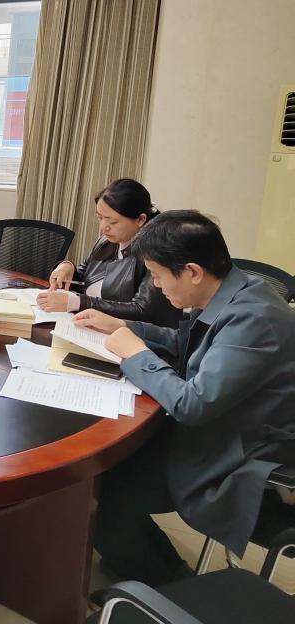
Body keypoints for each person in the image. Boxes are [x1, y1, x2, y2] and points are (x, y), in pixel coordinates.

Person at [72, 211, 295, 587]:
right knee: (106, 470)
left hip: (238, 452)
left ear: (192, 271)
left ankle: (166, 586)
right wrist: (125, 325)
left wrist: (135, 355)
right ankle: (152, 567)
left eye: (157, 275)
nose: (156, 285)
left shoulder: (255, 319)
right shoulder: (237, 291)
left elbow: (193, 404)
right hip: (219, 426)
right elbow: (185, 342)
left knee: (99, 488)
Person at [38, 178, 180, 326]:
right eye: (100, 218)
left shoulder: (156, 253)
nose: (103, 227)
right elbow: (85, 280)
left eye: (112, 222)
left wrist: (78, 303)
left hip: (132, 334)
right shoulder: (106, 242)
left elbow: (142, 311)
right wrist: (67, 267)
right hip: (93, 326)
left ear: (140, 219)